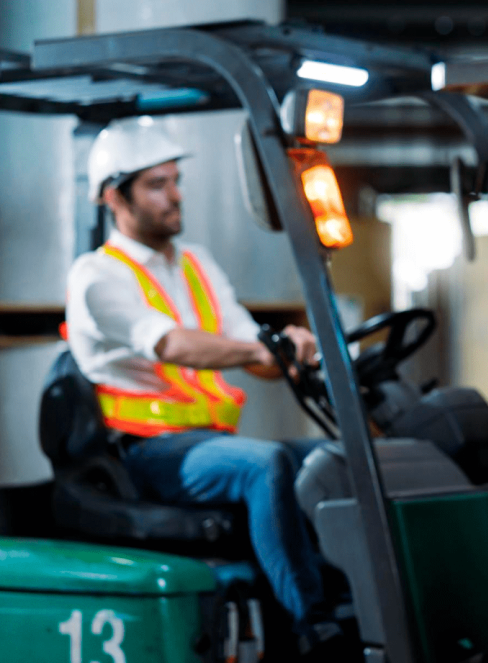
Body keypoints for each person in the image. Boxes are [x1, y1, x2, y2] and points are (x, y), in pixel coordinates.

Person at [65, 116, 342, 659]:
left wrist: (289, 351)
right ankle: (314, 628)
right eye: (156, 185)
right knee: (263, 465)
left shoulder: (197, 264)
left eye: (176, 181)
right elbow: (170, 344)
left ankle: (356, 599)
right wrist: (260, 351)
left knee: (331, 458)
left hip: (207, 444)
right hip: (144, 452)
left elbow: (247, 343)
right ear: (114, 197)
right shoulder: (96, 275)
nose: (175, 195)